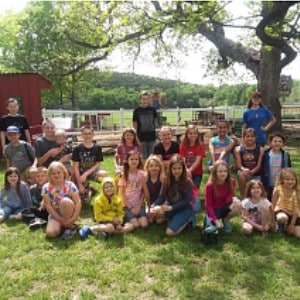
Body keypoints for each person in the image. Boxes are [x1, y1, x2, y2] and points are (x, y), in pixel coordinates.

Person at [150, 154, 193, 236]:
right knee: (155, 213)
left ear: (183, 169)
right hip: (171, 208)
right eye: (174, 169)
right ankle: (173, 219)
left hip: (184, 209)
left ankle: (188, 220)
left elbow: (186, 201)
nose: (176, 171)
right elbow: (162, 197)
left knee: (169, 233)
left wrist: (171, 208)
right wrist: (153, 205)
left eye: (179, 168)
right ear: (170, 169)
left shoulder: (187, 182)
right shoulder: (167, 180)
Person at [42, 161, 81, 239]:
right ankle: (63, 226)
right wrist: (59, 219)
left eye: (59, 172)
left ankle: (69, 226)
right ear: (49, 175)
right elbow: (48, 206)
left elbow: (78, 203)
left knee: (65, 201)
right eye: (53, 173)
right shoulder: (46, 187)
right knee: (51, 233)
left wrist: (73, 218)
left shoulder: (70, 185)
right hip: (56, 214)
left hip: (69, 212)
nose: (56, 175)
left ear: (64, 172)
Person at [204, 161, 242, 234]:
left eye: (225, 171)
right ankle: (215, 221)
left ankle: (225, 219)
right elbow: (208, 206)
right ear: (215, 172)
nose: (223, 173)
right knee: (213, 230)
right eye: (220, 171)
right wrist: (215, 220)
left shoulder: (231, 182)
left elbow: (231, 196)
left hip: (225, 208)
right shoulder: (210, 186)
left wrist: (234, 199)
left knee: (238, 205)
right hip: (214, 210)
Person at [72, 125, 107, 201]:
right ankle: (90, 190)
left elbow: (98, 164)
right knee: (85, 200)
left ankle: (106, 194)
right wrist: (80, 184)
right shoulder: (77, 149)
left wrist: (86, 174)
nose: (87, 136)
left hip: (92, 172)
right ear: (81, 135)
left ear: (93, 135)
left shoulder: (97, 148)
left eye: (89, 133)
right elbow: (75, 167)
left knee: (104, 174)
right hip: (81, 174)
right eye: (85, 133)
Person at [117, 150, 148, 229]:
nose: (134, 161)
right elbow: (121, 194)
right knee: (136, 225)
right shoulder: (124, 175)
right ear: (127, 161)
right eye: (131, 159)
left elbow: (143, 192)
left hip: (138, 203)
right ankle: (127, 219)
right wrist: (130, 208)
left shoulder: (142, 174)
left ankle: (137, 216)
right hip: (127, 205)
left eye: (136, 159)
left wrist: (139, 206)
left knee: (144, 224)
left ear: (139, 161)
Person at [234, 128, 264, 198]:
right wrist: (243, 169)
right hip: (243, 172)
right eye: (247, 136)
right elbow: (239, 164)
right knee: (241, 175)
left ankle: (256, 198)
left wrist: (252, 172)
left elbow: (259, 165)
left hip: (256, 173)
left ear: (255, 138)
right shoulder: (238, 149)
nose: (249, 138)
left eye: (252, 136)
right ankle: (243, 196)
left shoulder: (260, 149)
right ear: (244, 137)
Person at [261, 132, 291, 202]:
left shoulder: (286, 155)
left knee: (280, 202)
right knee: (268, 201)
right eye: (275, 141)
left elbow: (289, 169)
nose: (277, 143)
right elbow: (262, 169)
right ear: (270, 142)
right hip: (268, 183)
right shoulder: (265, 154)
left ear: (283, 143)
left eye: (280, 141)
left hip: (280, 184)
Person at [272, 168, 300, 237]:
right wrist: (272, 220)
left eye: (292, 179)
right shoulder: (278, 189)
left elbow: (297, 209)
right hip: (281, 211)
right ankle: (280, 226)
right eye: (287, 179)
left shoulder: (297, 191)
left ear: (296, 180)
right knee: (282, 217)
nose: (290, 182)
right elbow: (273, 205)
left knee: (297, 235)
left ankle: (289, 225)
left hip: (294, 214)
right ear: (282, 180)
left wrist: (292, 224)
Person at [133, 91, 158, 159]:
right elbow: (135, 126)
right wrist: (136, 138)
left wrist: (156, 135)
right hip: (141, 138)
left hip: (152, 138)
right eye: (143, 99)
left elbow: (155, 123)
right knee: (143, 158)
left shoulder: (153, 109)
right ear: (140, 100)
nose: (145, 101)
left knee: (152, 158)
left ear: (149, 99)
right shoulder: (136, 111)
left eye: (147, 99)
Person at [144, 155, 166, 223]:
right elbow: (147, 195)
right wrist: (149, 206)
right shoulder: (145, 178)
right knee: (150, 220)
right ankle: (154, 215)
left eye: (156, 166)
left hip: (160, 202)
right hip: (150, 202)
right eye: (151, 166)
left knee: (159, 221)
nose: (154, 168)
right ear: (147, 168)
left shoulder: (163, 178)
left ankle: (163, 216)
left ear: (160, 167)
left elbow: (161, 196)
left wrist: (154, 206)